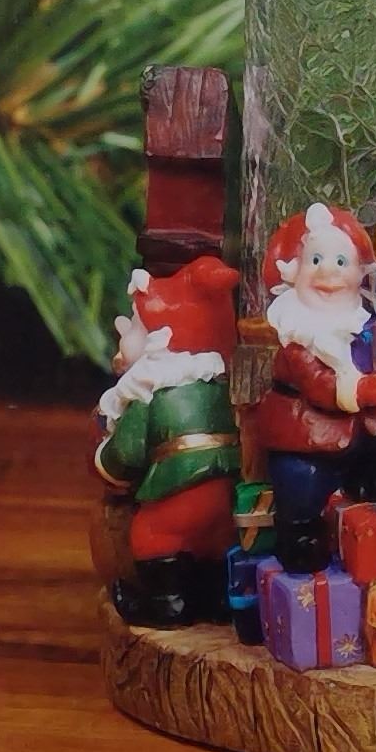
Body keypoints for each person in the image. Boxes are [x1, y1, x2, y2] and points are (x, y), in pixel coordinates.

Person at [254, 203, 376, 572]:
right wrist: (366, 391)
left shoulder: (362, 326)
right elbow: (319, 385)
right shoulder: (299, 336)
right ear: (294, 272)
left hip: (358, 437)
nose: (328, 273)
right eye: (315, 260)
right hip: (306, 439)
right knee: (301, 481)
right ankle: (299, 532)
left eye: (341, 262)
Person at [95, 254, 241, 627]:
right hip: (223, 491)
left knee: (153, 534)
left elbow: (126, 454)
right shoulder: (215, 386)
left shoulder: (149, 394)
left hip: (178, 492)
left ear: (159, 341)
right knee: (215, 541)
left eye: (134, 327)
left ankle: (168, 603)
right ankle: (215, 599)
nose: (124, 334)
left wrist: (106, 466)